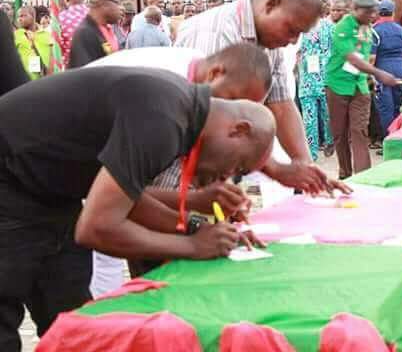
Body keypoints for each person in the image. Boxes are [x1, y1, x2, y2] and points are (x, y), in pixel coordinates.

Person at [0, 66, 276, 351]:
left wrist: (197, 228)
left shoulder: (181, 109)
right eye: (239, 166)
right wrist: (193, 246)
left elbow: (126, 199)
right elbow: (96, 228)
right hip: (11, 182)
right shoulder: (164, 120)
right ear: (239, 130)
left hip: (49, 190)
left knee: (73, 323)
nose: (228, 174)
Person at [176, 0, 350, 195]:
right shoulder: (217, 31)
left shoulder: (269, 39)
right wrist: (275, 169)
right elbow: (209, 123)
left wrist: (307, 168)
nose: (293, 41)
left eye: (300, 34)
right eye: (292, 30)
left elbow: (281, 104)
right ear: (271, 5)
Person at [326, 0, 401, 179]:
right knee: (340, 134)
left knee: (359, 131)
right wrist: (378, 73)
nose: (373, 15)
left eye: (375, 11)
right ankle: (345, 174)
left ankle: (363, 177)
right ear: (355, 9)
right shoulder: (342, 27)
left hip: (360, 87)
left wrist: (370, 77)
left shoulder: (367, 28)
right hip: (337, 85)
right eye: (369, 12)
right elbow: (351, 57)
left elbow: (365, 57)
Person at [371, 0, 402, 135]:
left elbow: (372, 58)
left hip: (382, 73)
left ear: (378, 13)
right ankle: (400, 138)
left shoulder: (375, 31)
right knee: (399, 107)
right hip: (400, 72)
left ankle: (389, 141)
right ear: (393, 13)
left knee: (386, 108)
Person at [298, 18, 334, 161]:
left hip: (326, 78)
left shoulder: (329, 26)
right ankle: (311, 153)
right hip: (307, 79)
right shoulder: (300, 25)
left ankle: (329, 142)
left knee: (328, 114)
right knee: (309, 118)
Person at [68, 0, 123, 68]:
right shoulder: (85, 34)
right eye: (118, 3)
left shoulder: (107, 29)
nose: (121, 8)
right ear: (104, 4)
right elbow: (87, 73)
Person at [13, 6, 52, 80]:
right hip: (23, 80)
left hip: (43, 80)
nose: (19, 19)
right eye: (18, 17)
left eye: (23, 16)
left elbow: (52, 57)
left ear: (33, 16)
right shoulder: (16, 35)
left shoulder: (46, 34)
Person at [58, 0, 89, 68]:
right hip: (93, 68)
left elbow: (56, 49)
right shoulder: (94, 16)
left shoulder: (61, 18)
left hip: (71, 70)